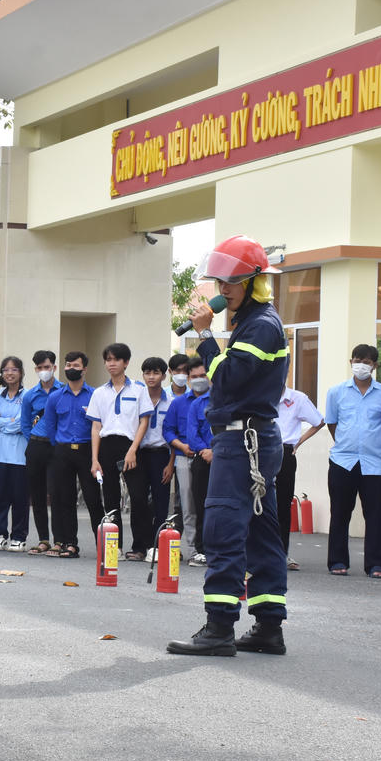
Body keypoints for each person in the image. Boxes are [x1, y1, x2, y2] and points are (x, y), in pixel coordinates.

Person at [166, 235, 288, 657]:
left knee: (223, 528)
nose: (222, 292)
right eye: (219, 284)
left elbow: (230, 377)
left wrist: (205, 338)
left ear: (254, 281)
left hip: (243, 441)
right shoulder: (253, 322)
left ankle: (219, 628)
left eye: (230, 283)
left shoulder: (260, 325)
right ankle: (269, 627)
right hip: (252, 438)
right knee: (260, 531)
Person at [324, 344, 381, 578]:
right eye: (357, 360)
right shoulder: (336, 392)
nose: (361, 365)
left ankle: (376, 564)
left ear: (374, 365)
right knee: (340, 513)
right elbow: (332, 423)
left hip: (375, 463)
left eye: (366, 361)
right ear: (350, 362)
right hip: (343, 461)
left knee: (374, 515)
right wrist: (347, 443)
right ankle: (337, 561)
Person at [87, 343, 151, 560]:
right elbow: (96, 427)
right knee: (110, 498)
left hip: (130, 446)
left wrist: (133, 450)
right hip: (106, 446)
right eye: (108, 360)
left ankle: (140, 547)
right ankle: (115, 547)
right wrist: (95, 459)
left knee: (139, 496)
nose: (111, 364)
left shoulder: (139, 389)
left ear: (126, 363)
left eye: (116, 359)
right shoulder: (98, 393)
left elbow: (144, 421)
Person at [44, 351, 106, 558]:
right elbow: (50, 426)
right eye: (68, 365)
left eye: (76, 365)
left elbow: (100, 425)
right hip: (62, 451)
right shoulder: (55, 397)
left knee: (93, 499)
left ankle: (104, 546)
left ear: (85, 369)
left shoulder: (95, 395)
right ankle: (70, 544)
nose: (71, 368)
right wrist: (58, 445)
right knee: (65, 499)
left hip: (88, 451)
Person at [274, 385, 323, 571]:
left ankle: (281, 553)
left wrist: (298, 442)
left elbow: (318, 421)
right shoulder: (259, 392)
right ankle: (258, 553)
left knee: (283, 505)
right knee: (259, 505)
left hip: (286, 451)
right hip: (261, 451)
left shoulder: (297, 398)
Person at [20, 350, 63, 554]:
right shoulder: (30, 395)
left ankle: (59, 539)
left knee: (56, 493)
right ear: (35, 370)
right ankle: (43, 539)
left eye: (47, 367)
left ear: (54, 367)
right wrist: (34, 441)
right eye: (40, 368)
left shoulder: (63, 390)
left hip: (57, 447)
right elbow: (25, 424)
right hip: (36, 446)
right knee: (37, 495)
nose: (44, 371)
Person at [0, 356, 29, 552]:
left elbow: (22, 423)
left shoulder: (27, 396)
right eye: (5, 370)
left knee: (20, 497)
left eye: (13, 369)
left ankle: (19, 536)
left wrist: (2, 421)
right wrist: (8, 420)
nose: (9, 373)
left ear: (20, 372)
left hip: (20, 455)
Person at [137, 356, 175, 559]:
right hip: (140, 454)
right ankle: (142, 545)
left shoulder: (172, 402)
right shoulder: (137, 397)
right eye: (147, 373)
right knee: (140, 500)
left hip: (162, 455)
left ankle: (158, 545)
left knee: (161, 501)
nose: (151, 377)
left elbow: (175, 434)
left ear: (164, 374)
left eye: (156, 373)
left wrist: (171, 463)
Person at [162, 354, 197, 554]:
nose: (181, 375)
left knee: (187, 501)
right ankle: (166, 543)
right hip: (165, 453)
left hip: (188, 454)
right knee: (165, 502)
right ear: (170, 372)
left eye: (186, 371)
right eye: (177, 371)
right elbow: (167, 429)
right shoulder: (164, 395)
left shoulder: (197, 398)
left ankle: (192, 546)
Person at [184, 360, 213, 567]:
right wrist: (205, 451)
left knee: (225, 506)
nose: (200, 380)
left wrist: (217, 451)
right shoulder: (197, 404)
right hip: (202, 460)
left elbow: (231, 429)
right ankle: (202, 550)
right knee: (201, 505)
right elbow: (191, 435)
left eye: (203, 375)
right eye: (195, 376)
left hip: (225, 460)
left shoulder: (227, 401)